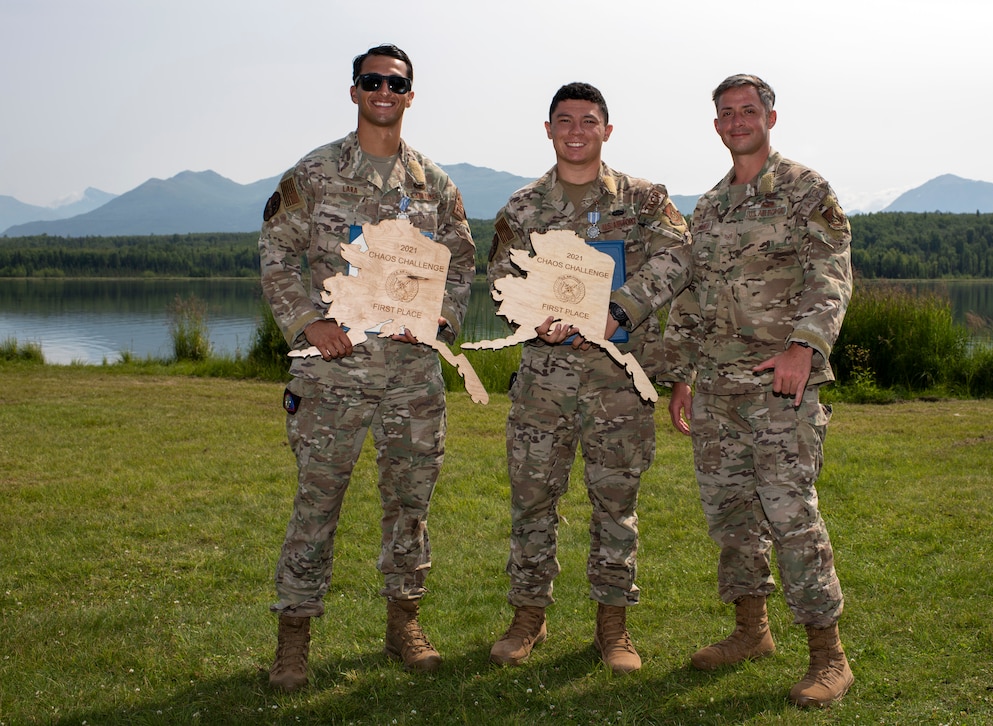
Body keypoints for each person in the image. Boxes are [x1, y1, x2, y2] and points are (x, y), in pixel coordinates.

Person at [258, 43, 476, 691]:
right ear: (355, 91)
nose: (384, 90)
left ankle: (402, 624)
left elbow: (462, 263)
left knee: (409, 506)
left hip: (411, 376)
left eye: (396, 82)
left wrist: (443, 319)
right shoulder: (317, 174)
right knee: (316, 505)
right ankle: (293, 640)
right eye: (371, 80)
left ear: (411, 95)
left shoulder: (432, 185)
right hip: (333, 375)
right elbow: (275, 251)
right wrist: (306, 323)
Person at [485, 82, 692, 674]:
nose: (576, 130)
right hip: (543, 386)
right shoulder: (523, 208)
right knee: (532, 502)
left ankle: (614, 627)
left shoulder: (647, 201)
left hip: (617, 386)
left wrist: (620, 309)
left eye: (588, 120)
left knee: (615, 506)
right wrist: (532, 316)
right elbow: (501, 279)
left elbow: (679, 257)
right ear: (548, 130)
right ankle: (528, 616)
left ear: (607, 128)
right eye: (564, 120)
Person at [661, 74, 854, 707]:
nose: (737, 120)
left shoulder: (805, 190)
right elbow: (691, 296)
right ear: (716, 125)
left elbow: (831, 273)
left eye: (749, 110)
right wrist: (683, 375)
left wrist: (805, 345)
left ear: (771, 117)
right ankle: (751, 630)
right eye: (727, 113)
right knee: (731, 518)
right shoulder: (710, 207)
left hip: (779, 385)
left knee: (790, 513)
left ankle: (828, 655)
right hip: (716, 389)